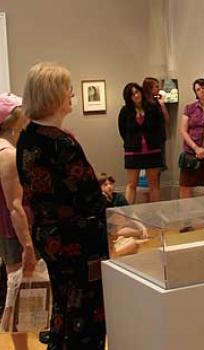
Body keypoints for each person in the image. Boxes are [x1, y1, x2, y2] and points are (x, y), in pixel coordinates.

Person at [16, 62, 108, 349]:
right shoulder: (61, 143)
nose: (71, 95)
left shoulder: (28, 136)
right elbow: (87, 195)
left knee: (64, 310)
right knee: (86, 315)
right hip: (77, 240)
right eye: (68, 89)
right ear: (55, 95)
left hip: (49, 235)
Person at [0, 93, 36, 350]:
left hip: (9, 230)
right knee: (20, 292)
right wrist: (28, 245)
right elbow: (15, 206)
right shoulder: (8, 154)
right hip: (15, 231)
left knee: (20, 292)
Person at [118, 83, 165, 203]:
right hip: (133, 151)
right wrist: (131, 142)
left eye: (137, 92)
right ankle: (128, 214)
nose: (136, 95)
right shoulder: (125, 111)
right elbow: (123, 130)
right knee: (132, 183)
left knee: (153, 183)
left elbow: (160, 126)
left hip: (152, 149)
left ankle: (156, 212)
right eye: (132, 94)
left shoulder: (152, 108)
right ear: (128, 97)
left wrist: (156, 141)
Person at [142, 77, 170, 172]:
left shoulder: (157, 103)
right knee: (151, 169)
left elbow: (166, 120)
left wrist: (162, 104)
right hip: (149, 140)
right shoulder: (144, 105)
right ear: (149, 89)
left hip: (160, 138)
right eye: (156, 87)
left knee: (159, 168)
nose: (159, 89)